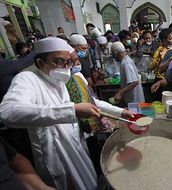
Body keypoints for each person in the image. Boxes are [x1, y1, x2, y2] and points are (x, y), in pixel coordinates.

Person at [0, 37, 100, 190]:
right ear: (40, 63)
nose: (67, 67)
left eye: (69, 62)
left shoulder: (58, 79)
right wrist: (72, 110)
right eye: (60, 61)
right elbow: (8, 112)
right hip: (56, 157)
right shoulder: (27, 79)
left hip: (77, 149)